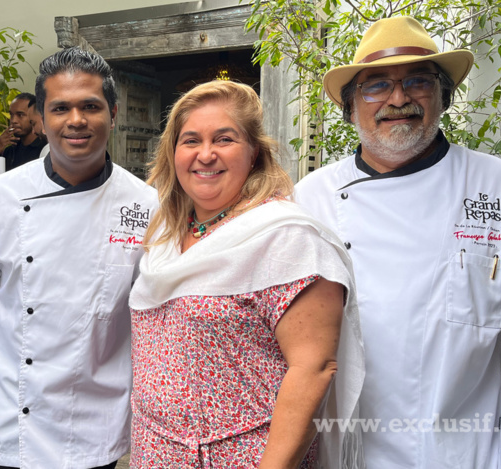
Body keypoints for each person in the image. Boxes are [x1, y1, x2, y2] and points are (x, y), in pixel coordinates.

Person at [294, 16, 501, 468]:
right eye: (376, 86)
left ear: (443, 97)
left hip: (461, 454)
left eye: (418, 81)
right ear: (350, 108)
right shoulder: (310, 199)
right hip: (340, 451)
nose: (399, 99)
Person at [0, 47, 158, 469]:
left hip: (93, 426)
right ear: (42, 118)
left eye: (90, 106)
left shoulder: (146, 205)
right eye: (60, 108)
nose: (76, 120)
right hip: (5, 420)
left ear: (113, 113)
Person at [128, 81, 365, 468]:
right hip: (156, 452)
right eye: (191, 141)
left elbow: (314, 369)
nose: (206, 154)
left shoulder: (286, 237)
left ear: (254, 152)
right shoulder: (168, 234)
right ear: (173, 153)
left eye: (224, 139)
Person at [0, 92, 46, 180]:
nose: (13, 120)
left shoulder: (45, 148)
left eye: (20, 115)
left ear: (32, 116)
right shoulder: (11, 150)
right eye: (11, 115)